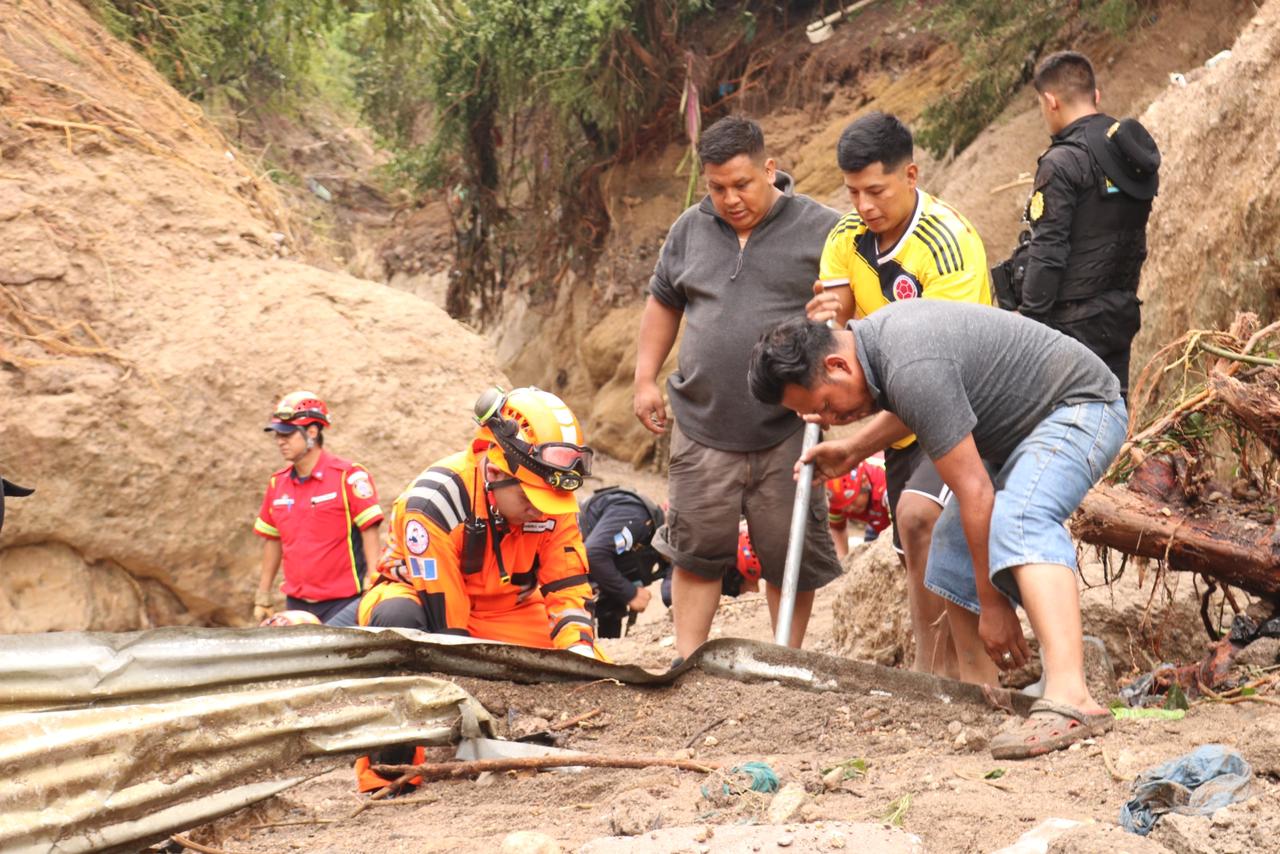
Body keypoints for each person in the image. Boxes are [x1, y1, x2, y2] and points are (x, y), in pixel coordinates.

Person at [748, 303, 1126, 759]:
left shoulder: (908, 361)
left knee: (1019, 516)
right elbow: (921, 404)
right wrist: (852, 451)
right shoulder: (878, 348)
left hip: (1081, 410)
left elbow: (977, 492)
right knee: (948, 543)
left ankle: (1072, 697)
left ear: (837, 365)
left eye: (826, 405)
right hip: (1022, 432)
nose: (829, 420)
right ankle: (981, 696)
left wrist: (994, 605)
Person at [633, 115, 842, 659]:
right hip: (703, 424)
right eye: (717, 187)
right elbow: (664, 302)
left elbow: (855, 305)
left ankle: (783, 659)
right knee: (696, 552)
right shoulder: (689, 229)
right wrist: (643, 379)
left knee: (786, 555)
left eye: (742, 184)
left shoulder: (822, 229)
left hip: (787, 429)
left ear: (769, 169)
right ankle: (687, 658)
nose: (730, 199)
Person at [807, 110, 991, 675]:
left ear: (911, 176)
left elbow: (940, 382)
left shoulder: (948, 247)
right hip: (898, 413)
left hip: (963, 407)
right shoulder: (846, 237)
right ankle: (932, 680)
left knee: (921, 521)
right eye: (853, 191)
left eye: (876, 190)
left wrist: (856, 444)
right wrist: (826, 319)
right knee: (913, 544)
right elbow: (836, 315)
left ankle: (970, 674)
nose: (863, 205)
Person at [992, 51, 1159, 396]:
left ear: (1050, 101)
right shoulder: (1128, 153)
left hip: (1069, 325)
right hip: (1120, 313)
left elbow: (1050, 248)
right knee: (1111, 414)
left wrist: (1031, 321)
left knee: (1067, 424)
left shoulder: (1063, 160)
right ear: (1095, 96)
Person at [253, 391, 383, 627]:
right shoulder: (277, 483)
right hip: (296, 603)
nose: (280, 440)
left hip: (344, 602)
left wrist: (373, 584)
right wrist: (263, 595)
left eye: (288, 433)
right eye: (277, 434)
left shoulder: (349, 477)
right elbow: (272, 540)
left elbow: (369, 530)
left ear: (312, 432)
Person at [578, 486, 670, 638]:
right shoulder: (638, 517)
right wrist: (630, 593)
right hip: (557, 566)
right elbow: (594, 554)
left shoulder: (652, 538)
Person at [825, 453, 890, 558]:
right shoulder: (838, 500)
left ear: (864, 483)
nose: (849, 510)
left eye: (852, 503)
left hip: (896, 510)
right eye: (844, 508)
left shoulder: (886, 485)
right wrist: (842, 562)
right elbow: (837, 528)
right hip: (876, 520)